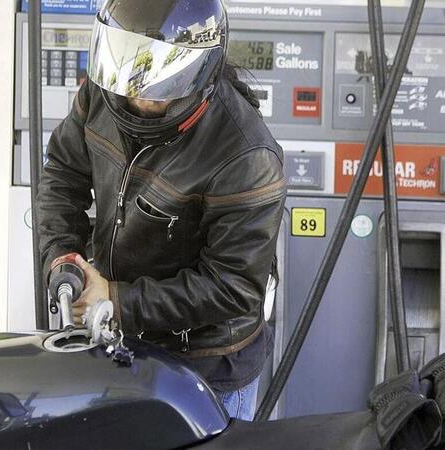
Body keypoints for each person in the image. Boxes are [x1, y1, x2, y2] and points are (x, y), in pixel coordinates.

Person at [37, 0, 285, 420]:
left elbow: (232, 287)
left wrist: (116, 299)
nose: (135, 92)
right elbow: (63, 173)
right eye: (128, 67)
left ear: (195, 73)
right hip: (122, 338)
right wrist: (63, 258)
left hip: (207, 364)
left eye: (155, 79)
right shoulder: (106, 93)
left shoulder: (247, 156)